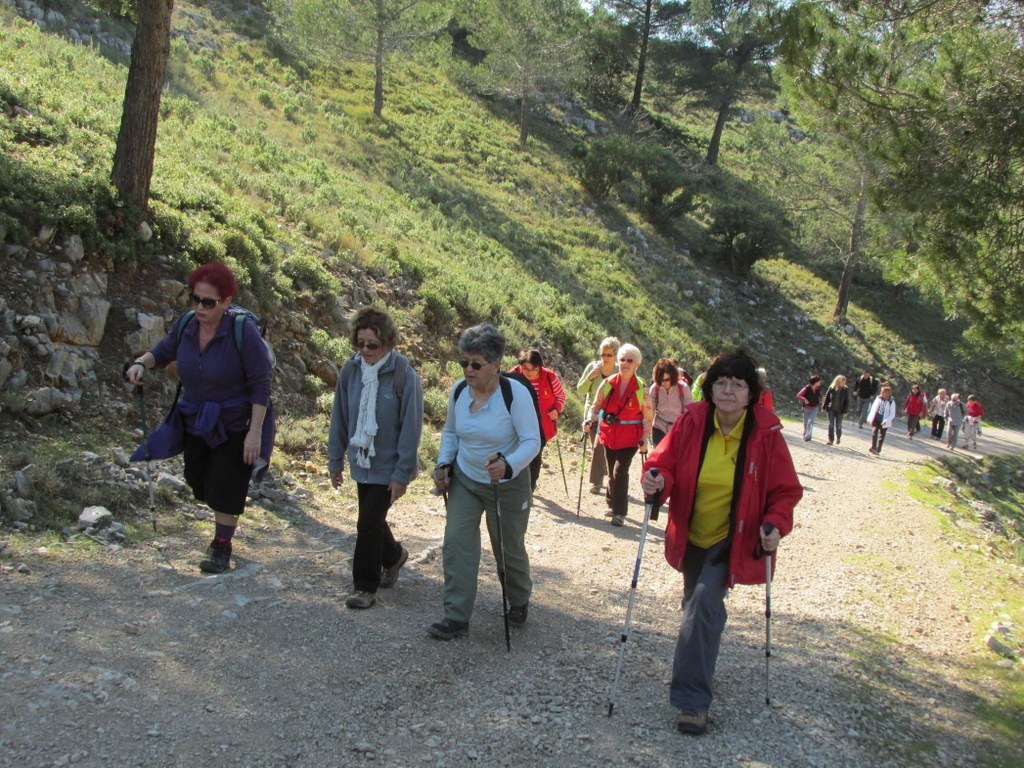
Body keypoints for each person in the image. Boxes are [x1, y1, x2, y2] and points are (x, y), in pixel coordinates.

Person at [641, 349, 801, 736]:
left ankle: (692, 702)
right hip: (691, 533)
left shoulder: (765, 433)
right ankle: (701, 652)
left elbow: (784, 491)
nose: (728, 390)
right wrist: (656, 479)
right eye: (721, 382)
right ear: (710, 388)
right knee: (696, 605)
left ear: (751, 394)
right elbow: (664, 462)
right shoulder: (694, 421)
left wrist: (775, 524)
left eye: (738, 383)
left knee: (702, 604)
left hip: (735, 537)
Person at [125, 261, 274, 573]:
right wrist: (141, 363)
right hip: (197, 418)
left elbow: (261, 385)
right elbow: (164, 350)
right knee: (197, 480)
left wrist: (255, 433)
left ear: (227, 303)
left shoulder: (242, 331)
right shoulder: (187, 325)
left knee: (227, 481)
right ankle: (221, 513)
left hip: (237, 421)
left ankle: (221, 545)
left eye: (209, 302)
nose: (200, 307)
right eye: (195, 299)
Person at [429, 324, 541, 640]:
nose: (468, 369)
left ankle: (518, 599)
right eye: (464, 362)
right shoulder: (458, 391)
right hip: (466, 478)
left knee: (507, 548)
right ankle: (456, 617)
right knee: (456, 544)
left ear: (495, 365)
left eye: (476, 364)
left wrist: (508, 466)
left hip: (507, 483)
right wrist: (443, 463)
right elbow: (451, 432)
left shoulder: (514, 394)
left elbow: (532, 441)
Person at [328, 307, 424, 610]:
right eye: (361, 343)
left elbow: (411, 429)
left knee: (367, 522)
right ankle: (394, 556)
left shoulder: (404, 376)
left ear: (388, 343)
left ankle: (364, 587)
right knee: (372, 520)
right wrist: (335, 460)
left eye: (373, 344)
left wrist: (402, 473)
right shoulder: (351, 371)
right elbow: (340, 418)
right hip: (362, 462)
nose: (366, 350)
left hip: (389, 466)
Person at [583, 343, 653, 527]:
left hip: (630, 438)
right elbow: (596, 406)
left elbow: (647, 416)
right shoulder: (608, 384)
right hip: (609, 434)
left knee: (619, 471)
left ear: (637, 364)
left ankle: (620, 512)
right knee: (611, 469)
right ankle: (611, 504)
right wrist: (589, 419)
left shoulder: (641, 389)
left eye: (630, 360)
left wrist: (645, 439)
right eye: (622, 359)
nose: (625, 363)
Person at [510, 349, 565, 491]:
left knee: (534, 457)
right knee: (518, 455)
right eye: (525, 368)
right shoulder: (513, 376)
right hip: (517, 425)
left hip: (541, 426)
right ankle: (516, 488)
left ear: (539, 367)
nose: (528, 373)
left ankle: (529, 489)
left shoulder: (549, 377)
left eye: (533, 369)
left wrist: (556, 409)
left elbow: (560, 396)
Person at [576, 337, 619, 495]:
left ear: (615, 355)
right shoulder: (592, 367)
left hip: (612, 415)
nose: (605, 358)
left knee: (606, 447)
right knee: (598, 446)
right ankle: (596, 481)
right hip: (593, 413)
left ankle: (606, 476)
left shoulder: (619, 371)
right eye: (603, 354)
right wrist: (590, 378)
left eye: (609, 355)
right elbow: (580, 390)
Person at [649, 358, 692, 447]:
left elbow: (690, 412)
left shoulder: (683, 388)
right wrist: (645, 433)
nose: (664, 383)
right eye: (661, 380)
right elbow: (650, 412)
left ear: (673, 376)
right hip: (659, 428)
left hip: (678, 429)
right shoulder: (654, 389)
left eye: (667, 379)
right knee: (660, 459)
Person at [867, 385, 896, 455]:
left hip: (885, 421)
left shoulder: (891, 401)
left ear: (887, 393)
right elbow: (873, 409)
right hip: (876, 418)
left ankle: (878, 449)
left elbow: (892, 414)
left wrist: (886, 420)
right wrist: (869, 418)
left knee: (882, 435)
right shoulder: (878, 398)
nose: (881, 393)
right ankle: (873, 447)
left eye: (882, 392)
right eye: (881, 391)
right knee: (874, 432)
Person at [821, 375, 849, 446]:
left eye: (844, 381)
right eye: (842, 381)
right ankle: (831, 440)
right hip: (831, 409)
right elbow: (827, 398)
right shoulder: (832, 387)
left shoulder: (845, 389)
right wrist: (824, 407)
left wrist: (845, 411)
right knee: (831, 425)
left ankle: (838, 437)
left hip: (840, 410)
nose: (843, 383)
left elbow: (847, 401)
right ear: (838, 381)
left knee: (838, 426)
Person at [796, 375, 823, 441]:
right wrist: (804, 399)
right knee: (806, 422)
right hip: (806, 408)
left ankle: (808, 435)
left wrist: (823, 400)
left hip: (815, 407)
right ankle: (806, 433)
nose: (820, 382)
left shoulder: (818, 389)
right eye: (819, 381)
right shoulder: (806, 388)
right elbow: (798, 395)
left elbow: (820, 396)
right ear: (815, 382)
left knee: (810, 421)